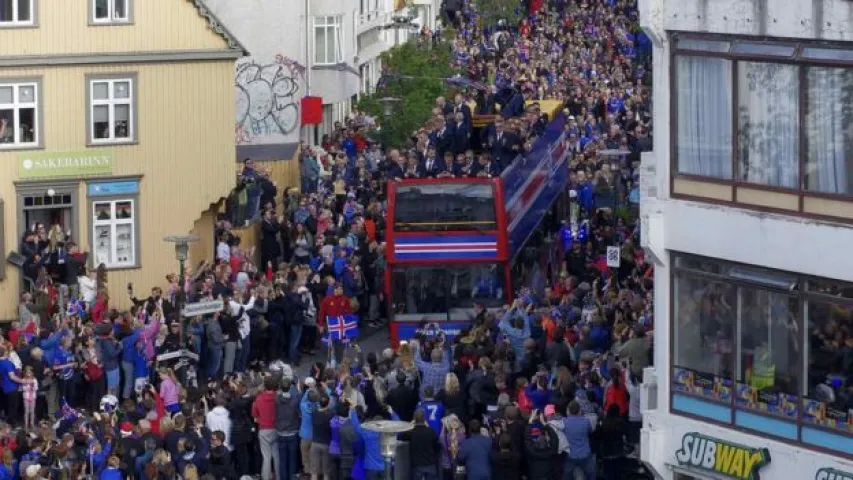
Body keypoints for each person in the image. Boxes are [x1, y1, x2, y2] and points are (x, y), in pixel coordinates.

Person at [402, 409, 440, 480]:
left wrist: (410, 425)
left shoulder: (411, 433)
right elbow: (437, 442)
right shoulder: (431, 432)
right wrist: (428, 425)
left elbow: (401, 436)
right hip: (430, 464)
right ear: (424, 419)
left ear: (414, 419)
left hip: (417, 465)